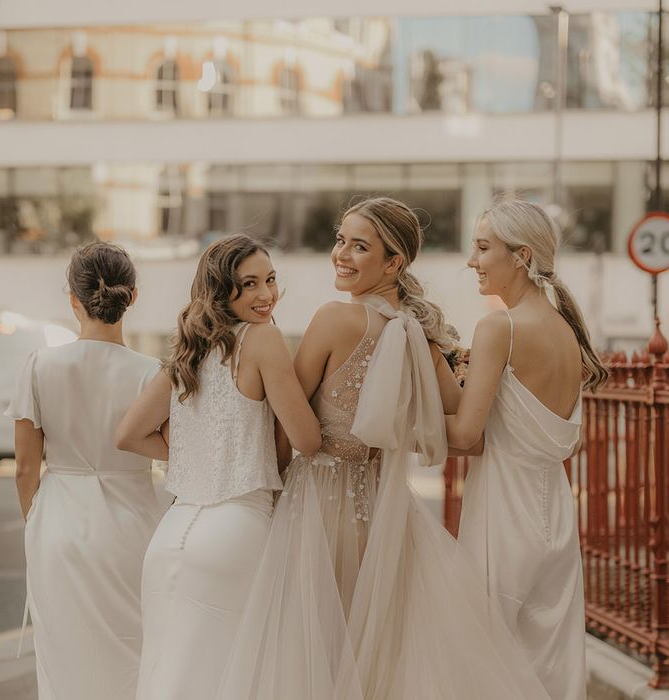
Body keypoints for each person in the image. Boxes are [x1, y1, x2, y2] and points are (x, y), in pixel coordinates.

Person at [216, 197, 552, 700]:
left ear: (393, 262)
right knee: (375, 664)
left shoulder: (333, 318)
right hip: (385, 516)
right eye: (339, 240)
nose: (341, 254)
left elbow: (286, 428)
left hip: (317, 510)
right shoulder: (421, 335)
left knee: (313, 660)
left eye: (359, 246)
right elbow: (468, 431)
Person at [115, 234, 321, 700]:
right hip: (236, 527)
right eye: (248, 285)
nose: (265, 295)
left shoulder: (188, 353)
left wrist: (197, 452)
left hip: (171, 534)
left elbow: (128, 434)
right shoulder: (263, 340)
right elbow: (307, 440)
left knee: (171, 677)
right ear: (220, 291)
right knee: (233, 677)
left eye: (270, 280)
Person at [448, 198, 608, 700]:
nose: (471, 260)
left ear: (520, 256)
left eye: (482, 247)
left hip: (503, 512)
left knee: (487, 662)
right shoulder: (566, 333)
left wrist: (388, 420)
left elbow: (464, 436)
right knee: (547, 665)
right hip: (555, 518)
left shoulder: (500, 327)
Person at [6, 242, 164, 700]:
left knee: (63, 655)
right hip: (135, 524)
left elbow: (24, 469)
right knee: (135, 651)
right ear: (131, 297)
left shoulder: (38, 366)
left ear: (72, 299)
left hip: (58, 524)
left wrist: (36, 521)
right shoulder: (153, 373)